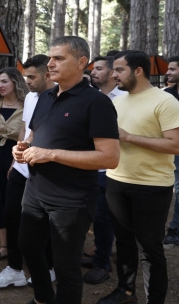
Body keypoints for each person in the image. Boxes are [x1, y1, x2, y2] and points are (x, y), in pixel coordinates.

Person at [13, 36, 120, 304]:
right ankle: (43, 298)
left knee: (65, 266)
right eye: (50, 57)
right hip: (35, 192)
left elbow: (109, 158)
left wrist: (51, 154)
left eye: (59, 58)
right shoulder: (45, 96)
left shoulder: (97, 102)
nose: (50, 63)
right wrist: (24, 147)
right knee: (28, 246)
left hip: (71, 199)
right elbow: (36, 134)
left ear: (82, 62)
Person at [97, 51, 179, 304]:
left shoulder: (165, 101)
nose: (114, 74)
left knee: (150, 248)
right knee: (123, 241)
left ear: (138, 71)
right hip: (116, 180)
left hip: (152, 186)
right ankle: (126, 291)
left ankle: (154, 299)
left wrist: (129, 137)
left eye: (119, 70)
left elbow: (175, 145)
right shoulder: (116, 102)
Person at [0, 55, 56, 288]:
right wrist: (16, 156)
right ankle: (15, 268)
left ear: (47, 74)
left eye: (31, 76)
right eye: (25, 76)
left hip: (47, 168)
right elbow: (26, 129)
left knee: (43, 218)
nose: (27, 81)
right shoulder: (30, 99)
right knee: (11, 213)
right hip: (21, 166)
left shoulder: (59, 98)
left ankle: (49, 266)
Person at [78, 55, 127, 285]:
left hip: (113, 169)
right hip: (90, 166)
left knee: (104, 218)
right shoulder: (91, 98)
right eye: (93, 69)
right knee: (91, 216)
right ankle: (98, 255)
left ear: (111, 72)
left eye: (99, 68)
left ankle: (102, 264)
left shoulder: (125, 98)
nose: (94, 72)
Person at [0, 67, 27, 262]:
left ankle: (23, 247)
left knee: (19, 204)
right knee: (0, 201)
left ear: (16, 82)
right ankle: (4, 246)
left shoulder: (28, 104)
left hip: (19, 157)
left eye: (4, 81)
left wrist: (18, 159)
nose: (0, 85)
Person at [163, 56, 179, 247]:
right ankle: (174, 228)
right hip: (170, 150)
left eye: (172, 69)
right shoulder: (166, 94)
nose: (167, 73)